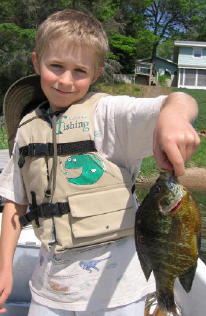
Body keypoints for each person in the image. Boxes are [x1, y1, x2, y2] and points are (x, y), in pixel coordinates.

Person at [0, 8, 200, 316]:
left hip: (120, 296)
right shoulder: (27, 130)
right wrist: (5, 270)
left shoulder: (108, 116)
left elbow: (181, 101)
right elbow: (15, 204)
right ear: (36, 61)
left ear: (97, 73)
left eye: (80, 71)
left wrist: (173, 117)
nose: (66, 80)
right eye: (56, 66)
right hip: (49, 292)